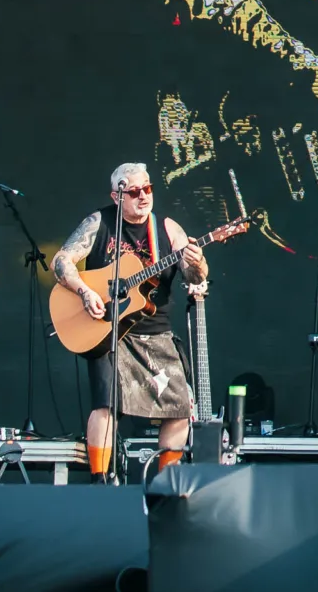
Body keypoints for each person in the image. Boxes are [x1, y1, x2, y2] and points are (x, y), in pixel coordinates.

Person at [54, 162, 209, 479]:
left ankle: (168, 481)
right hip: (107, 332)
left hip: (156, 333)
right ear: (117, 196)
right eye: (135, 192)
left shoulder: (167, 229)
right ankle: (100, 479)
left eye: (147, 189)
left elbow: (195, 275)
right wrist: (84, 291)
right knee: (105, 407)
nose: (143, 197)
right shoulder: (99, 222)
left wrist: (197, 261)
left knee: (179, 408)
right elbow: (61, 261)